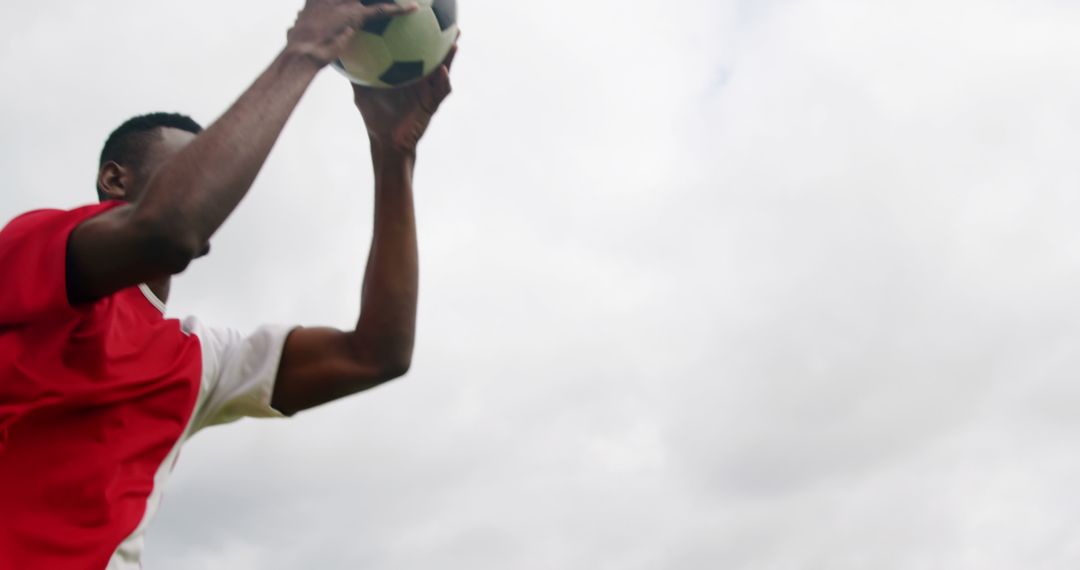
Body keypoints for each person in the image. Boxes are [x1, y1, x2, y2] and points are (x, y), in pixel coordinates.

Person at [0, 1, 456, 567]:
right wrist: (305, 51)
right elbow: (169, 228)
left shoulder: (197, 360)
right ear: (116, 178)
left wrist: (394, 156)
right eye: (193, 167)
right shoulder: (27, 248)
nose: (219, 186)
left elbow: (378, 352)